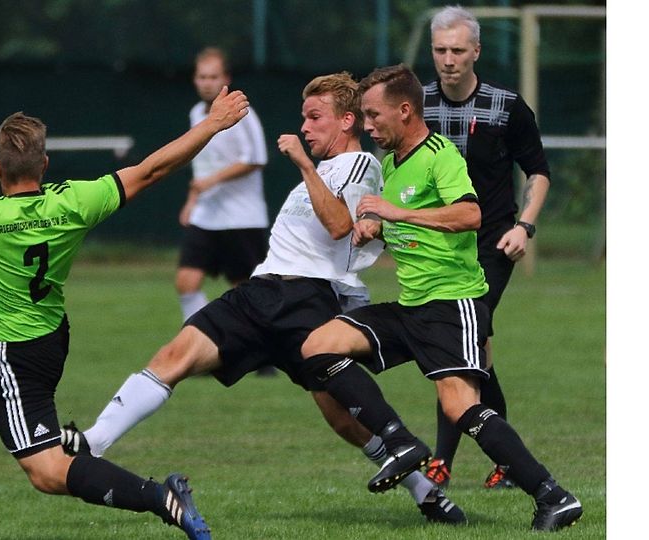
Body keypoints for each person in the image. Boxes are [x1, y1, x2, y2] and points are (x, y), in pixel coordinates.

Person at [61, 72, 466, 525]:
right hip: (262, 290)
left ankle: (425, 491)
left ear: (347, 121)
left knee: (342, 420)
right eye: (303, 118)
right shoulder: (323, 169)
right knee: (174, 355)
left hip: (308, 297)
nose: (305, 127)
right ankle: (94, 442)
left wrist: (304, 165)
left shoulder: (359, 166)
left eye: (316, 118)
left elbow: (338, 225)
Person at [0, 87, 252, 540]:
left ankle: (161, 497)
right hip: (39, 331)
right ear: (44, 166)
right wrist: (213, 124)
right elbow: (153, 168)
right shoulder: (73, 202)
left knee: (47, 472)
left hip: (15, 352)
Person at [298, 64, 581, 531]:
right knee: (318, 345)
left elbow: (471, 214)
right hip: (411, 305)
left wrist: (394, 211)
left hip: (452, 305)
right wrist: (378, 230)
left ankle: (553, 496)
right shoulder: (392, 162)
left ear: (405, 110)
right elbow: (410, 225)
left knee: (459, 407)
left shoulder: (439, 153)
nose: (367, 126)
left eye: (373, 115)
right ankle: (398, 438)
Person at [421, 5, 553, 490]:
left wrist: (525, 226)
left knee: (458, 341)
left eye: (458, 50)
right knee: (476, 350)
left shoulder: (506, 105)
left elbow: (537, 171)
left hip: (491, 245)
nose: (449, 59)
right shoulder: (415, 105)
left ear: (476, 50)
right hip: (438, 248)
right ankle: (509, 457)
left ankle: (440, 461)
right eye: (440, 50)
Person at [176, 48, 269, 326]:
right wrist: (192, 201)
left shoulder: (242, 112)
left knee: (246, 289)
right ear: (195, 79)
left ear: (225, 78)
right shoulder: (196, 113)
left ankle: (262, 352)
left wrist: (211, 181)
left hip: (242, 216)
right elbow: (201, 165)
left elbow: (256, 159)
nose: (207, 82)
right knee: (186, 282)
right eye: (202, 76)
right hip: (206, 215)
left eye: (213, 76)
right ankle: (204, 341)